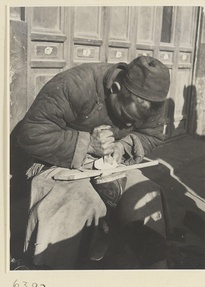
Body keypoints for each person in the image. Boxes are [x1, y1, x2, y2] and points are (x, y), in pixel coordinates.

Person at [17, 55, 171, 269]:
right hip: (57, 161)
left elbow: (152, 134)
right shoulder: (76, 84)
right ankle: (49, 279)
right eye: (125, 115)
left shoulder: (150, 97)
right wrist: (87, 144)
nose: (127, 124)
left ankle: (160, 279)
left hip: (110, 163)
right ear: (115, 88)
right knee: (80, 202)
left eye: (133, 122)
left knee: (145, 195)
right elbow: (30, 135)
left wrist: (123, 146)